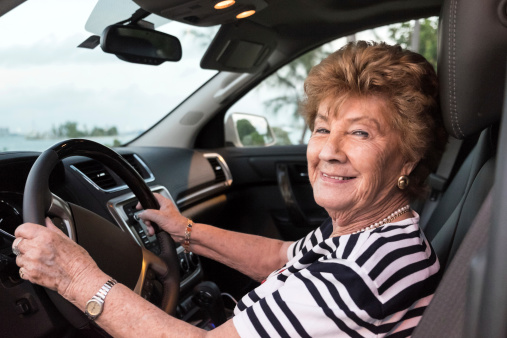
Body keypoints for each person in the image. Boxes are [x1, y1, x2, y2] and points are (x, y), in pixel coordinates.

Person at [12, 41, 447, 337]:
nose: (328, 152)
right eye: (322, 128)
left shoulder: (360, 274)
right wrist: (185, 231)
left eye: (360, 134)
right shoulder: (368, 234)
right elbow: (280, 257)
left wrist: (78, 278)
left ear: (407, 158)